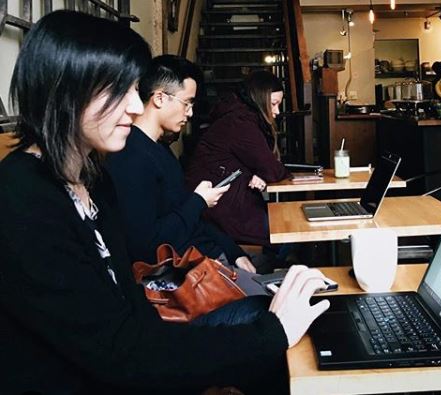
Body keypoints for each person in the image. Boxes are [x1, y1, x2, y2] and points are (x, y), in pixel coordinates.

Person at [0, 10, 329, 395]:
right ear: (65, 90)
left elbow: (133, 318)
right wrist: (270, 333)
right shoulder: (22, 200)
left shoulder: (94, 178)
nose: (136, 108)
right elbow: (117, 352)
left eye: (134, 91)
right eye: (118, 91)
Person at [104, 55, 258, 277]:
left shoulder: (161, 149)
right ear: (159, 98)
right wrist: (198, 202)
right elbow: (146, 246)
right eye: (187, 103)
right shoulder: (130, 156)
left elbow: (190, 219)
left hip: (208, 260)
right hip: (187, 276)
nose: (191, 113)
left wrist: (234, 252)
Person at [184, 71, 291, 254]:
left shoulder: (237, 116)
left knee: (287, 228)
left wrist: (260, 172)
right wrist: (264, 171)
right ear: (259, 100)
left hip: (221, 202)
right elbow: (272, 168)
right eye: (273, 104)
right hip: (220, 208)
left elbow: (264, 165)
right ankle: (258, 276)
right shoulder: (240, 123)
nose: (277, 112)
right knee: (288, 234)